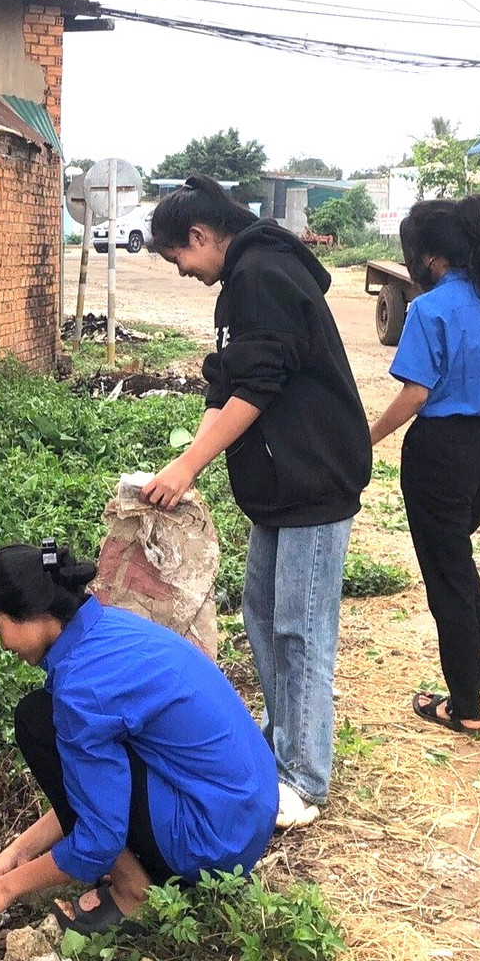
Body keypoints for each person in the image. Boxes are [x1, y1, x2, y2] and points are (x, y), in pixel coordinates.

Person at [140, 177, 371, 829]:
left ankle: (304, 777)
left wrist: (190, 464)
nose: (182, 271)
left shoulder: (263, 275)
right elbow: (228, 381)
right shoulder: (241, 281)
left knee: (300, 628)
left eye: (177, 257)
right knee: (263, 616)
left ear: (201, 236)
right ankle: (281, 748)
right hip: (279, 484)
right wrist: (185, 461)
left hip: (315, 479)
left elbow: (258, 387)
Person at [0, 543, 277, 936]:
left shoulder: (82, 688)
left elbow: (98, 841)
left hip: (210, 841)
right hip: (242, 818)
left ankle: (131, 892)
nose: (3, 645)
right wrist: (21, 850)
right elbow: (99, 783)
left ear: (32, 612)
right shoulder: (110, 628)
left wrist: (5, 889)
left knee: (37, 721)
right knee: (57, 723)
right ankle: (145, 869)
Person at [369, 195, 480, 734]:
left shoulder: (430, 308)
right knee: (455, 559)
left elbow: (417, 394)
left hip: (440, 451)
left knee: (445, 574)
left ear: (431, 257)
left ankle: (464, 707)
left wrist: (366, 437)